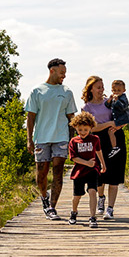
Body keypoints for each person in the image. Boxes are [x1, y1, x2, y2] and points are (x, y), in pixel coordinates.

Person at [25, 58, 79, 220]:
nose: (64, 76)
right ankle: (44, 198)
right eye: (62, 73)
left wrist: (72, 140)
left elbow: (72, 118)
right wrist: (29, 139)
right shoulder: (37, 91)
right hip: (42, 138)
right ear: (52, 71)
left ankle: (52, 208)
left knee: (57, 171)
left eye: (65, 73)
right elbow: (30, 117)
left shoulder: (67, 92)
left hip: (61, 137)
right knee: (41, 173)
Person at [79, 75, 126, 220]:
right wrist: (109, 124)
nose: (102, 90)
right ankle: (101, 198)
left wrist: (118, 126)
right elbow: (91, 128)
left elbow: (124, 117)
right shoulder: (86, 107)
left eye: (102, 87)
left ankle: (110, 209)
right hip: (98, 141)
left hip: (116, 138)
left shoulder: (110, 102)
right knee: (100, 174)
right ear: (91, 89)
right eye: (98, 87)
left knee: (114, 175)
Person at [66, 111, 108, 227]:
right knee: (77, 196)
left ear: (90, 127)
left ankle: (92, 217)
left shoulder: (95, 139)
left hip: (92, 170)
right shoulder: (74, 141)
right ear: (75, 128)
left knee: (92, 191)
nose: (83, 132)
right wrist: (86, 163)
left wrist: (103, 165)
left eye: (85, 129)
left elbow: (99, 151)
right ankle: (74, 212)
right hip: (79, 172)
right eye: (80, 130)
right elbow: (73, 158)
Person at [106, 79, 129, 158]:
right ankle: (114, 147)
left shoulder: (123, 98)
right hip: (118, 120)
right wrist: (109, 100)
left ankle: (114, 147)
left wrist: (117, 100)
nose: (116, 92)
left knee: (110, 131)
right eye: (114, 90)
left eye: (119, 90)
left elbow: (123, 107)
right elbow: (107, 106)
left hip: (123, 119)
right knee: (111, 131)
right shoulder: (113, 98)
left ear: (124, 90)